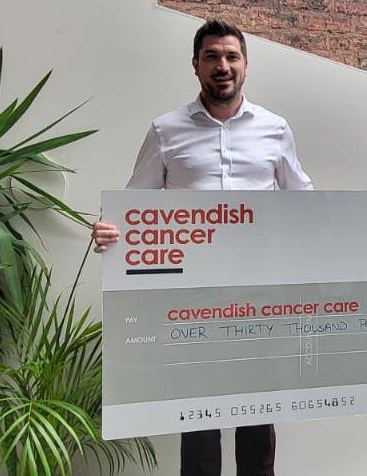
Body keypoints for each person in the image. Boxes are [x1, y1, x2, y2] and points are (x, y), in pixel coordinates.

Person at [92, 19, 313, 476]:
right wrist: (111, 232)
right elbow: (136, 206)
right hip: (190, 303)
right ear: (196, 65)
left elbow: (306, 203)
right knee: (198, 427)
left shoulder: (275, 128)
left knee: (256, 425)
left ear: (246, 67)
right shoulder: (165, 130)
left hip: (258, 300)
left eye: (231, 57)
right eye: (212, 57)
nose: (222, 66)